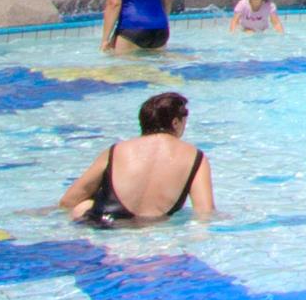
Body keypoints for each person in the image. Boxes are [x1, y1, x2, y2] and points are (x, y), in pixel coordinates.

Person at [59, 91, 214, 226]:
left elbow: (69, 201)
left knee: (83, 206)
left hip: (105, 225)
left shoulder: (117, 150)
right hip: (155, 230)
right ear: (175, 122)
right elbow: (205, 213)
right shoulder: (195, 157)